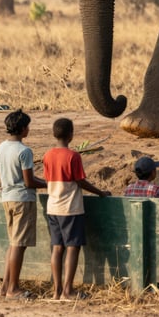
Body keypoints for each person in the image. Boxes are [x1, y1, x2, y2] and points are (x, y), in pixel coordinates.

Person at [42, 117, 110, 301]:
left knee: (57, 248)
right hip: (70, 208)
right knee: (72, 248)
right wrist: (100, 192)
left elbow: (48, 180)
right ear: (71, 135)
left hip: (53, 207)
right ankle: (68, 290)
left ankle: (56, 291)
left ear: (54, 134)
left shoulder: (47, 155)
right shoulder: (73, 156)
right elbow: (80, 180)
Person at [0, 109, 47, 299]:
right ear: (23, 128)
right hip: (22, 199)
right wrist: (48, 184)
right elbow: (29, 182)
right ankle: (13, 289)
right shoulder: (24, 151)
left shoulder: (2, 147)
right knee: (19, 245)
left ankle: (5, 287)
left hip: (7, 198)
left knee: (12, 244)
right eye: (28, 126)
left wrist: (39, 180)